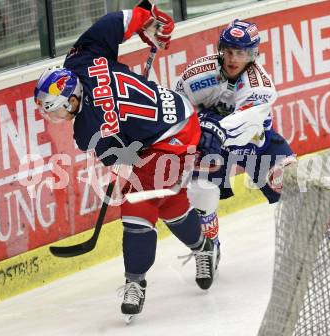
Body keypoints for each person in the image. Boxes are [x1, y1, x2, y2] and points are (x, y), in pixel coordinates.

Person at [33, 0, 218, 321]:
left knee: (138, 204)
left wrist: (151, 24)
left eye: (55, 108)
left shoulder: (86, 128)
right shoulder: (82, 59)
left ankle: (136, 283)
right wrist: (150, 20)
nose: (56, 116)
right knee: (168, 202)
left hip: (175, 131)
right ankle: (204, 245)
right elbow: (117, 21)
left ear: (71, 98)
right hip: (162, 126)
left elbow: (117, 157)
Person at [175, 19, 296, 268]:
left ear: (252, 55)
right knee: (200, 189)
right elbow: (177, 111)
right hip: (212, 146)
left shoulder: (260, 86)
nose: (232, 58)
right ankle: (208, 248)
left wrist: (210, 125)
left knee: (295, 186)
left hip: (255, 144)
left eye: (241, 53)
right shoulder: (194, 75)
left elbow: (242, 127)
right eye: (229, 51)